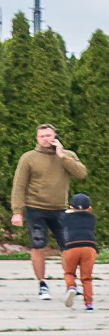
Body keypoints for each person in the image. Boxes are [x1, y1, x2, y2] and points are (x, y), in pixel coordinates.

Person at [9, 125, 88, 300]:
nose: (46, 139)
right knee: (38, 244)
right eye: (42, 136)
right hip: (35, 208)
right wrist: (17, 211)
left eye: (49, 135)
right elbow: (19, 186)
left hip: (60, 208)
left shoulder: (67, 155)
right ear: (37, 138)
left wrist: (62, 155)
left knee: (68, 247)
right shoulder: (29, 158)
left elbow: (81, 173)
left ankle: (71, 283)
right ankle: (42, 284)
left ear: (55, 136)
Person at [57, 188, 95, 310]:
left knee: (69, 272)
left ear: (71, 207)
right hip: (89, 247)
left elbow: (60, 217)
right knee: (86, 277)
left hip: (71, 247)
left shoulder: (66, 218)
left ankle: (71, 287)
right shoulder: (92, 218)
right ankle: (88, 303)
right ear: (90, 208)